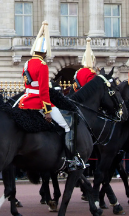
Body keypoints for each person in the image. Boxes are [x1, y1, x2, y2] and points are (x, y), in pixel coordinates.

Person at [18, 21, 82, 170]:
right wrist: (47, 111)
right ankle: (70, 160)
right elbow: (43, 91)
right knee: (66, 126)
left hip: (25, 100)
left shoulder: (27, 64)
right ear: (45, 53)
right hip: (37, 101)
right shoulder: (42, 65)